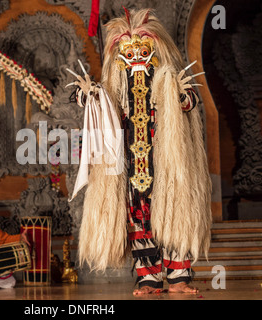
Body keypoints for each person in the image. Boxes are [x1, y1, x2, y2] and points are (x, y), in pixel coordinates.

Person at [67, 8, 212, 295]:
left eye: (142, 51)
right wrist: (88, 95)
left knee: (174, 213)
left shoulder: (170, 79)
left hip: (169, 162)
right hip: (131, 163)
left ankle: (179, 277)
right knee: (138, 218)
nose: (135, 57)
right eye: (128, 52)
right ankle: (148, 277)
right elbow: (98, 105)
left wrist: (180, 97)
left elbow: (189, 102)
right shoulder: (115, 88)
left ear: (156, 50)